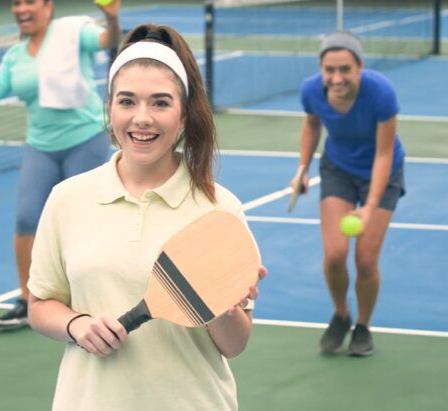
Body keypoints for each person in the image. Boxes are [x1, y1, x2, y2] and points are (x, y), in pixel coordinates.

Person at [27, 24, 268, 410]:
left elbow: (234, 345)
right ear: (110, 109)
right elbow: (40, 305)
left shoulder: (220, 209)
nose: (142, 118)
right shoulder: (67, 199)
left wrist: (218, 301)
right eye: (127, 102)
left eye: (160, 102)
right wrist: (77, 325)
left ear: (184, 116)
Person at [0, 0, 121, 328]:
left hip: (85, 139)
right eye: (16, 2)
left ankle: (90, 296)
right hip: (42, 147)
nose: (21, 9)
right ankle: (26, 299)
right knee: (26, 219)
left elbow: (109, 40)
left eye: (29, 1)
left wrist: (110, 16)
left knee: (82, 222)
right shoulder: (16, 56)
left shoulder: (72, 34)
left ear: (48, 6)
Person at [290, 30, 405, 357]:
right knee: (335, 256)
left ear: (360, 68)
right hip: (338, 169)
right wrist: (303, 167)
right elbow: (312, 124)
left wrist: (369, 207)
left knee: (366, 260)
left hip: (382, 172)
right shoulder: (311, 90)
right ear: (321, 69)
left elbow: (384, 154)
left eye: (345, 70)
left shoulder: (381, 92)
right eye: (330, 70)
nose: (337, 78)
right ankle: (341, 315)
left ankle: (363, 326)